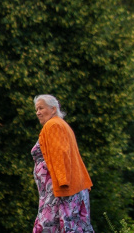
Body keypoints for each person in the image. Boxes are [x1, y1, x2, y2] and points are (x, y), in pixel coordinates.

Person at [31, 95, 94, 232]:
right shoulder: (60, 124)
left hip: (63, 190)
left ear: (53, 109)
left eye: (41, 108)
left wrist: (62, 182)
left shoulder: (53, 125)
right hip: (66, 188)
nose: (38, 112)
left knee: (56, 227)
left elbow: (61, 154)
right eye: (36, 109)